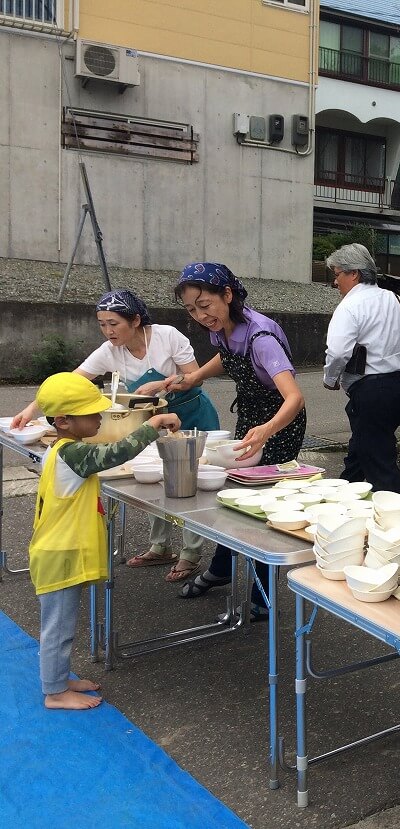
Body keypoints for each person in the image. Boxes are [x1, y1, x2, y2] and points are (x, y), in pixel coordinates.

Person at [11, 289, 219, 583]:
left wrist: (161, 383)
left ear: (135, 320)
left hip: (191, 413)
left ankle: (191, 553)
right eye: (102, 324)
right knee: (152, 476)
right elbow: (71, 382)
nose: (108, 331)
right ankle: (160, 546)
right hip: (152, 420)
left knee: (188, 483)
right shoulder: (110, 351)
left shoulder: (166, 336)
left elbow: (193, 375)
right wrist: (31, 410)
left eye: (114, 323)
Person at [154, 263, 307, 620]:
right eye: (191, 309)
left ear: (227, 295)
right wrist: (191, 378)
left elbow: (294, 397)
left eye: (204, 304)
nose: (200, 315)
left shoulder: (262, 338)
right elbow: (228, 355)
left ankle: (263, 594)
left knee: (265, 508)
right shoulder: (224, 328)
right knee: (233, 496)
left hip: (279, 424)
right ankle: (222, 568)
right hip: (252, 419)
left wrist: (267, 430)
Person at [29, 372, 180, 709]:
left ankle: (59, 677)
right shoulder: (72, 455)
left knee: (62, 621)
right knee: (58, 625)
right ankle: (54, 692)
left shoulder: (64, 448)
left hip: (60, 550)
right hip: (59, 553)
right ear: (64, 421)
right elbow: (115, 453)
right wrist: (153, 423)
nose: (99, 418)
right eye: (92, 414)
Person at [323, 243, 400, 494]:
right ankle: (342, 497)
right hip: (399, 385)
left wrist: (330, 379)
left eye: (337, 274)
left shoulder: (350, 306)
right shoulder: (398, 301)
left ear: (354, 273)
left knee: (378, 461)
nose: (335, 281)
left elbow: (339, 351)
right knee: (361, 450)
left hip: (370, 389)